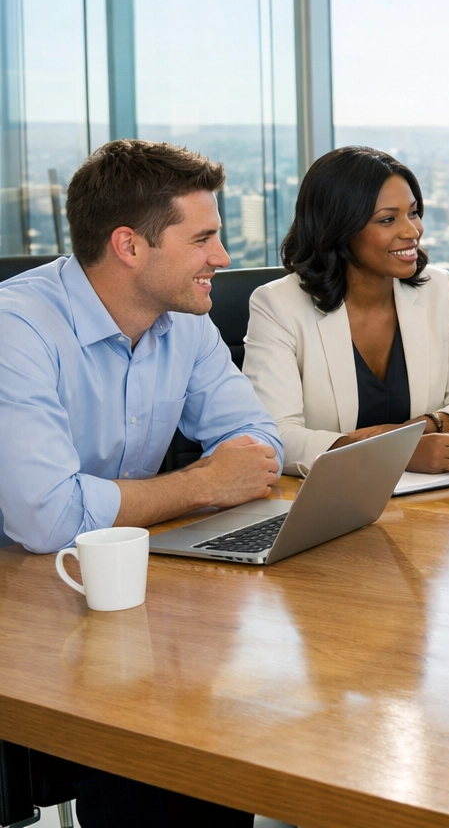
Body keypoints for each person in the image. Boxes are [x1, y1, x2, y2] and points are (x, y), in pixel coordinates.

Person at [0, 138, 281, 825]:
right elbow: (44, 518)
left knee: (210, 722)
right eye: (204, 238)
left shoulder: (182, 319)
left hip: (124, 587)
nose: (221, 258)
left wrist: (219, 476)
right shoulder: (16, 327)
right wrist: (203, 485)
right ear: (129, 246)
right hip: (24, 595)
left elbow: (259, 445)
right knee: (162, 739)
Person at [244, 147, 449, 477]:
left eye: (414, 213)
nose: (412, 231)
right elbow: (275, 436)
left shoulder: (437, 287)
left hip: (426, 499)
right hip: (326, 502)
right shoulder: (278, 305)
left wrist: (420, 428)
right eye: (388, 219)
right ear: (340, 227)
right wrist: (394, 453)